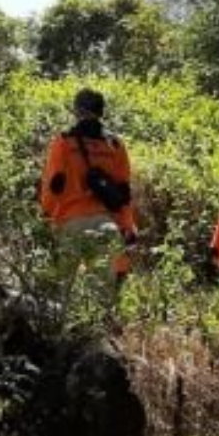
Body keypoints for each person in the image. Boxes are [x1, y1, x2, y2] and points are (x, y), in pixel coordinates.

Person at [38, 88, 138, 315]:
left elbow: (53, 185)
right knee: (102, 298)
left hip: (69, 223)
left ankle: (60, 340)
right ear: (101, 112)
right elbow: (123, 193)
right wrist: (127, 227)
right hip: (106, 225)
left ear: (76, 110)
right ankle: (97, 342)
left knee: (58, 295)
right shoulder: (115, 145)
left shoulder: (63, 141)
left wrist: (44, 218)